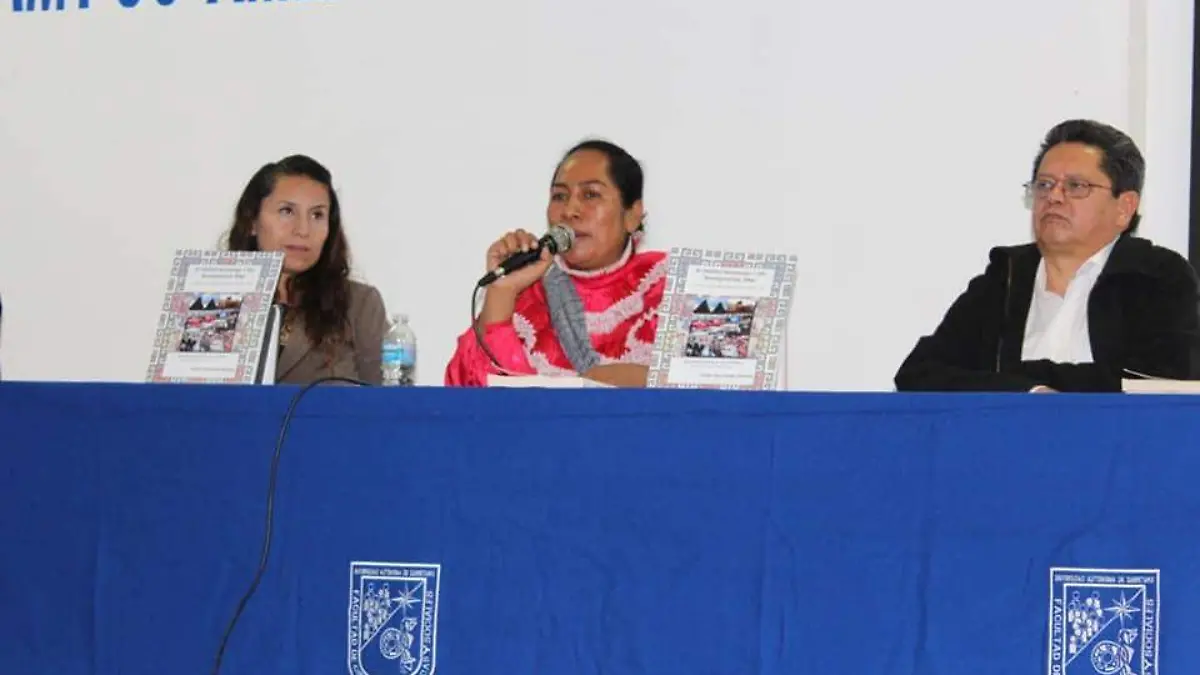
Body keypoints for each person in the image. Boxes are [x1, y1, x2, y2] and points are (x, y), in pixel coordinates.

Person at [895, 119, 1200, 392]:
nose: (1053, 197)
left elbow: (1157, 383)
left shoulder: (1156, 276)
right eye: (1044, 185)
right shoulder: (1006, 278)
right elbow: (919, 374)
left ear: (1124, 207)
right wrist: (1032, 391)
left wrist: (1022, 377)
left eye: (1076, 186)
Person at [445, 139, 667, 388]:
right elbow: (467, 398)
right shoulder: (527, 295)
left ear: (632, 216)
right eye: (560, 196)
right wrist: (502, 293)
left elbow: (709, 387)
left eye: (591, 194)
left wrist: (641, 380)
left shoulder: (669, 287)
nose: (570, 210)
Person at [226, 154, 388, 385]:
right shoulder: (215, 300)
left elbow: (388, 408)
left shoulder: (359, 305)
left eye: (317, 215)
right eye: (287, 211)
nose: (303, 230)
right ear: (252, 221)